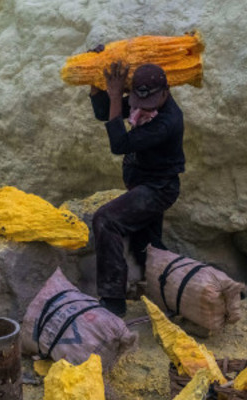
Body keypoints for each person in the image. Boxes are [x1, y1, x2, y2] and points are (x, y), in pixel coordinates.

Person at [89, 61, 185, 317]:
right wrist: (97, 85)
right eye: (137, 101)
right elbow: (105, 113)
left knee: (106, 220)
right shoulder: (144, 103)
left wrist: (114, 95)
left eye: (149, 102)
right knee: (146, 245)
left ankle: (113, 300)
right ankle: (175, 294)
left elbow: (120, 143)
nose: (141, 108)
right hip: (141, 183)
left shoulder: (167, 122)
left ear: (166, 92)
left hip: (158, 188)